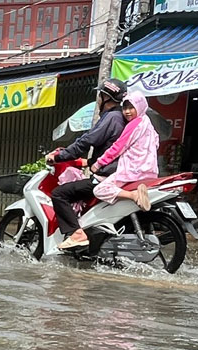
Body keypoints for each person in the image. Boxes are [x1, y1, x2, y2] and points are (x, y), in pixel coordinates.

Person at [47, 78, 130, 249]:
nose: (98, 99)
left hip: (106, 176)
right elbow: (109, 149)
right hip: (116, 172)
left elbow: (86, 141)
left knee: (59, 194)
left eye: (100, 95)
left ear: (106, 97)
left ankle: (77, 234)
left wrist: (60, 156)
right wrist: (87, 162)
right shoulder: (120, 117)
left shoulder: (112, 117)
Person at [88, 93, 160, 214]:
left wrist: (98, 163)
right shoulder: (148, 123)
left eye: (131, 108)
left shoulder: (134, 124)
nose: (127, 111)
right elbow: (156, 144)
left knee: (100, 190)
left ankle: (133, 196)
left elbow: (118, 147)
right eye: (125, 108)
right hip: (150, 172)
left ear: (140, 107)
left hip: (133, 170)